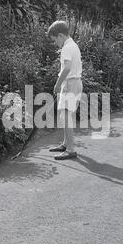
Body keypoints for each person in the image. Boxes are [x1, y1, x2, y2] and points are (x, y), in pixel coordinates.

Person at [47, 20, 83, 160]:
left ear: (60, 35)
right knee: (66, 115)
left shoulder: (67, 48)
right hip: (74, 83)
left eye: (54, 39)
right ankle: (65, 144)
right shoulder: (73, 45)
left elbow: (67, 68)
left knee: (66, 116)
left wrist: (57, 84)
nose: (55, 43)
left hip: (70, 84)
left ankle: (70, 150)